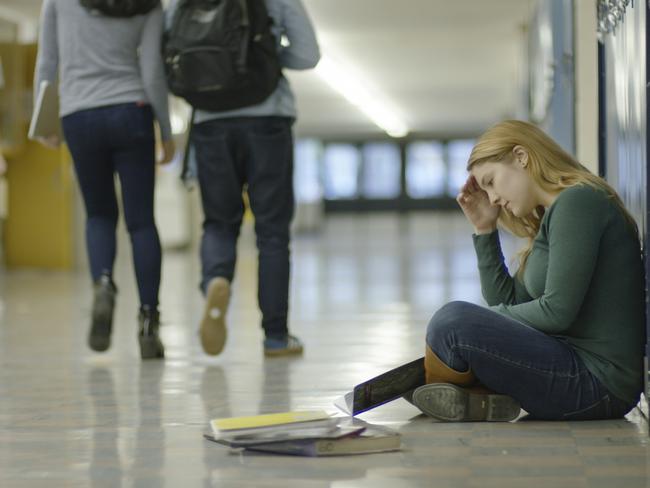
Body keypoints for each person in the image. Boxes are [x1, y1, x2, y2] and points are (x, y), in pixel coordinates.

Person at [409, 120, 645, 422]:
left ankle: (463, 389)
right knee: (454, 323)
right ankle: (468, 391)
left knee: (452, 322)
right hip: (573, 368)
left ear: (521, 156)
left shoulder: (580, 201)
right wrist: (484, 230)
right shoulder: (554, 216)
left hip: (597, 383)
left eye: (491, 181)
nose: (492, 198)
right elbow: (507, 301)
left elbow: (556, 312)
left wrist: (478, 324)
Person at [166, 0, 320, 357]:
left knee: (219, 222)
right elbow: (308, 55)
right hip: (268, 119)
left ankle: (216, 280)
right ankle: (276, 336)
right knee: (272, 231)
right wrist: (262, 56)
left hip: (209, 121)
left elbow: (169, 52)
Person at [33, 0, 175, 359]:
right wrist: (166, 129)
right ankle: (148, 326)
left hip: (78, 115)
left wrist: (44, 121)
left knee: (99, 215)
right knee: (141, 222)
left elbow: (47, 63)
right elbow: (152, 70)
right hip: (132, 110)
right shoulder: (149, 5)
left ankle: (104, 283)